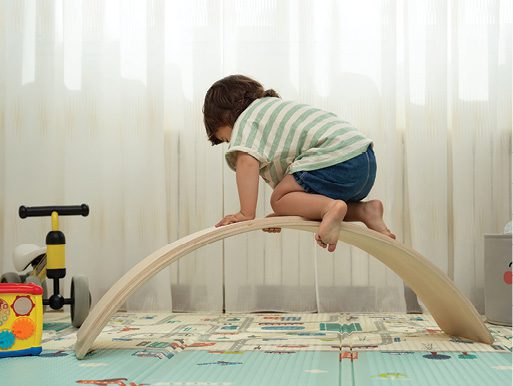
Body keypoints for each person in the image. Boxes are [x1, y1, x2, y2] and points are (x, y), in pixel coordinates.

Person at [203, 74, 395, 252]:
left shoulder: (246, 119)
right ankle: (365, 210)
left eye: (227, 140)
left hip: (337, 158)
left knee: (278, 200)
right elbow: (299, 191)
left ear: (224, 116)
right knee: (287, 201)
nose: (233, 144)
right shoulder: (271, 111)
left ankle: (330, 208)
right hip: (362, 160)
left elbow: (247, 163)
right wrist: (284, 214)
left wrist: (246, 213)